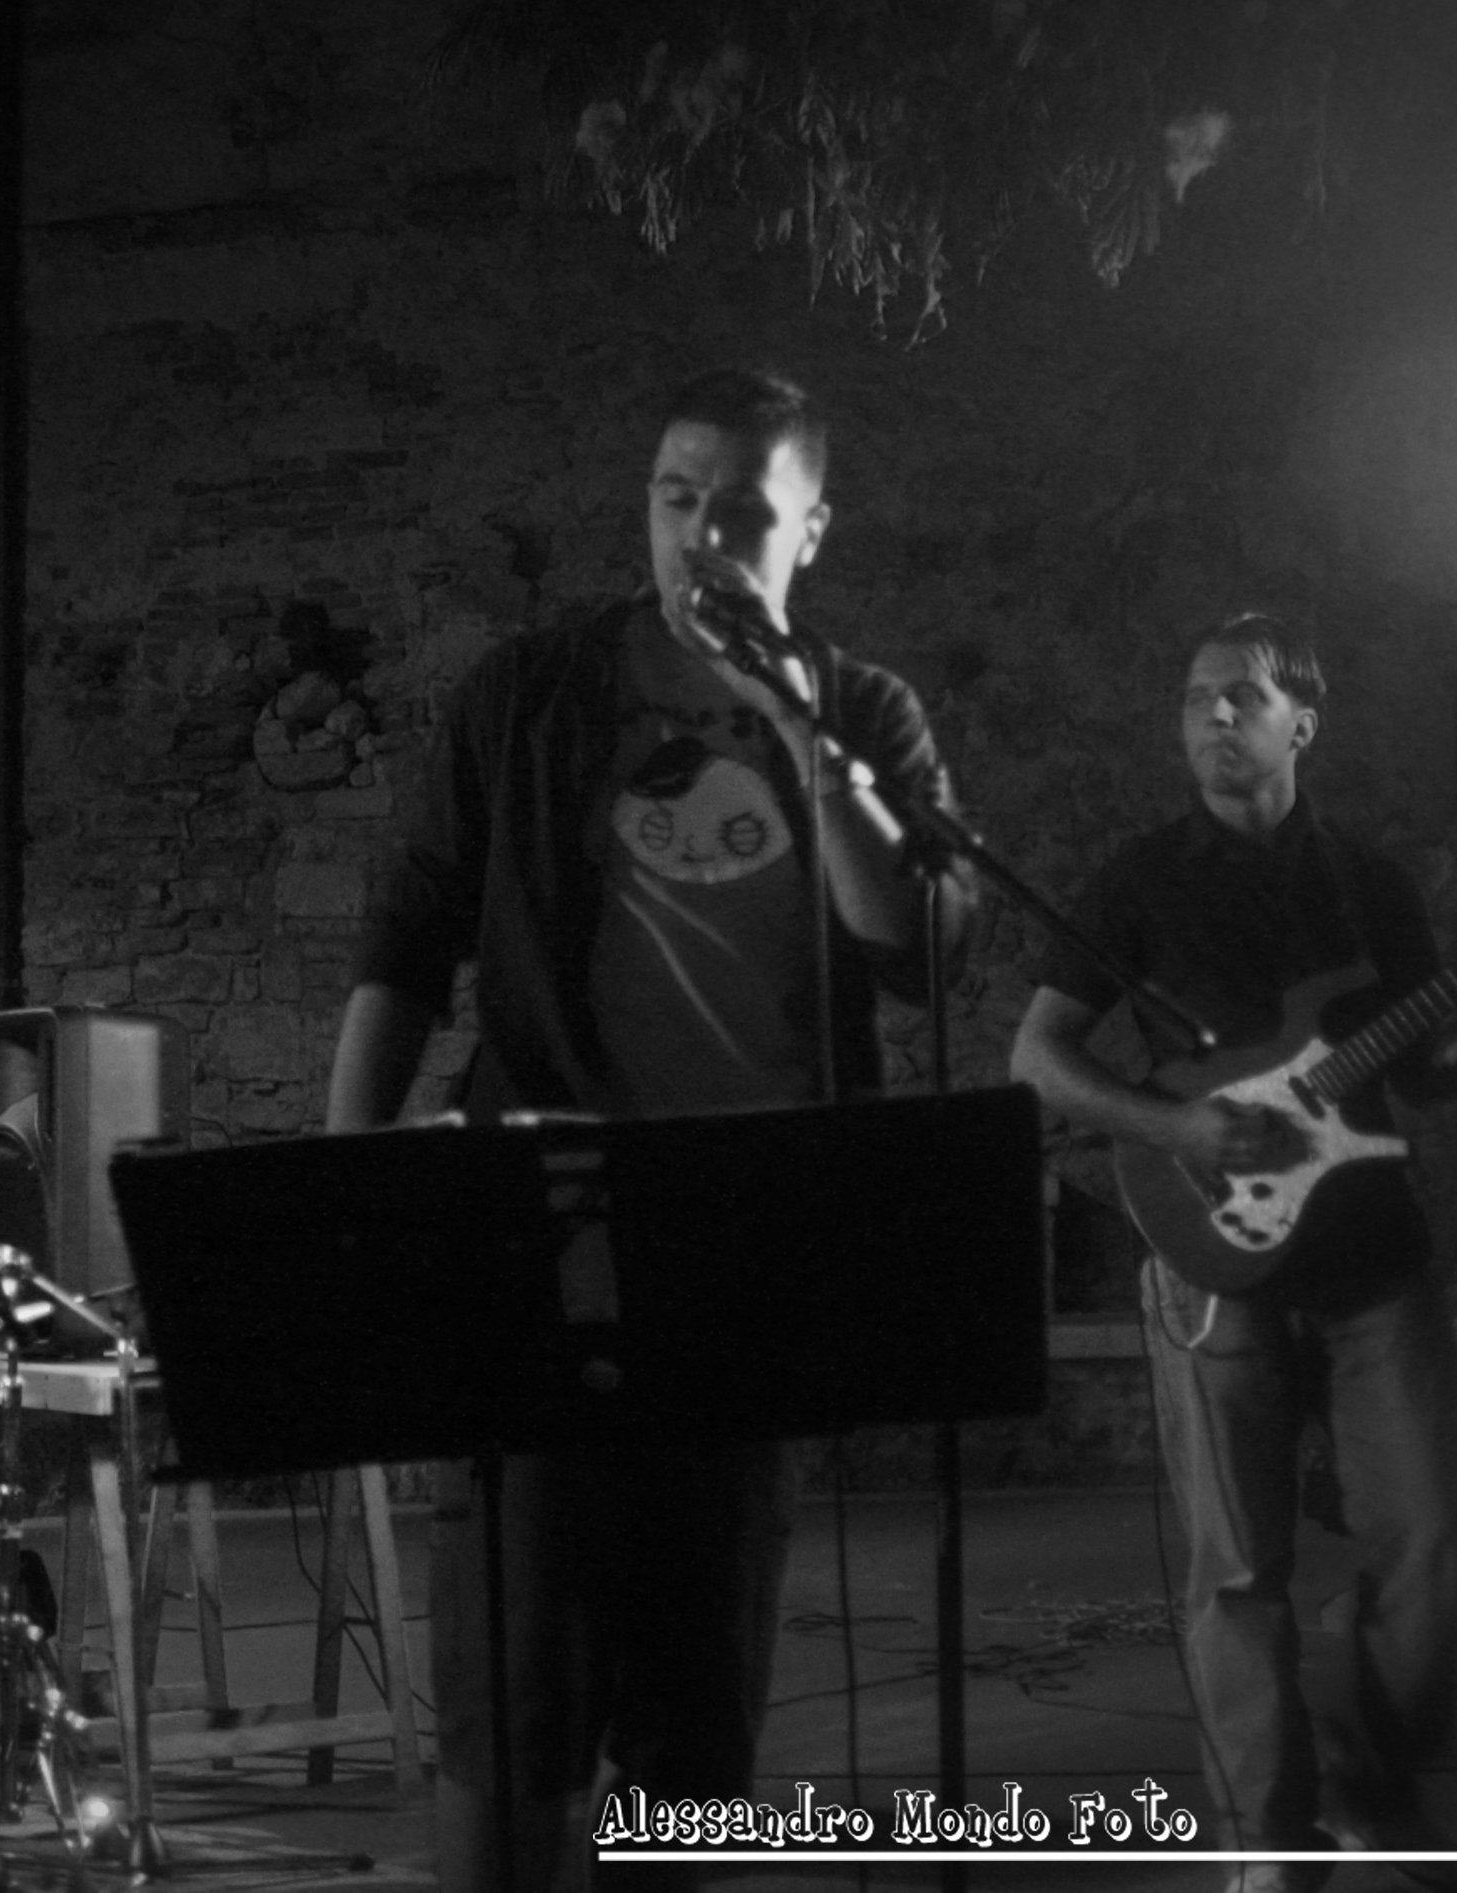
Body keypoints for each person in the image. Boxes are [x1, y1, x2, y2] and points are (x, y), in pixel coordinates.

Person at [325, 366, 975, 1891]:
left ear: (811, 529)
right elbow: (406, 945)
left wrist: (803, 732)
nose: (700, 537)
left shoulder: (866, 711)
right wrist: (355, 1196)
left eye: (741, 510)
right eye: (675, 499)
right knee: (512, 1688)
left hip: (755, 1249)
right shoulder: (531, 694)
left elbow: (922, 945)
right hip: (550, 1233)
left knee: (697, 1716)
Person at [1009, 615, 1457, 1893]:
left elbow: (1423, 1075)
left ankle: (1369, 1793)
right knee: (1237, 1571)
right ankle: (1265, 1845)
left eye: (1240, 697)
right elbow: (1039, 1057)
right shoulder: (1137, 881)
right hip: (1212, 1259)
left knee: (1429, 1535)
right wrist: (1176, 1125)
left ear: (1304, 723)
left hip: (1371, 1256)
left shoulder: (1369, 884)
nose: (1214, 718)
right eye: (1196, 699)